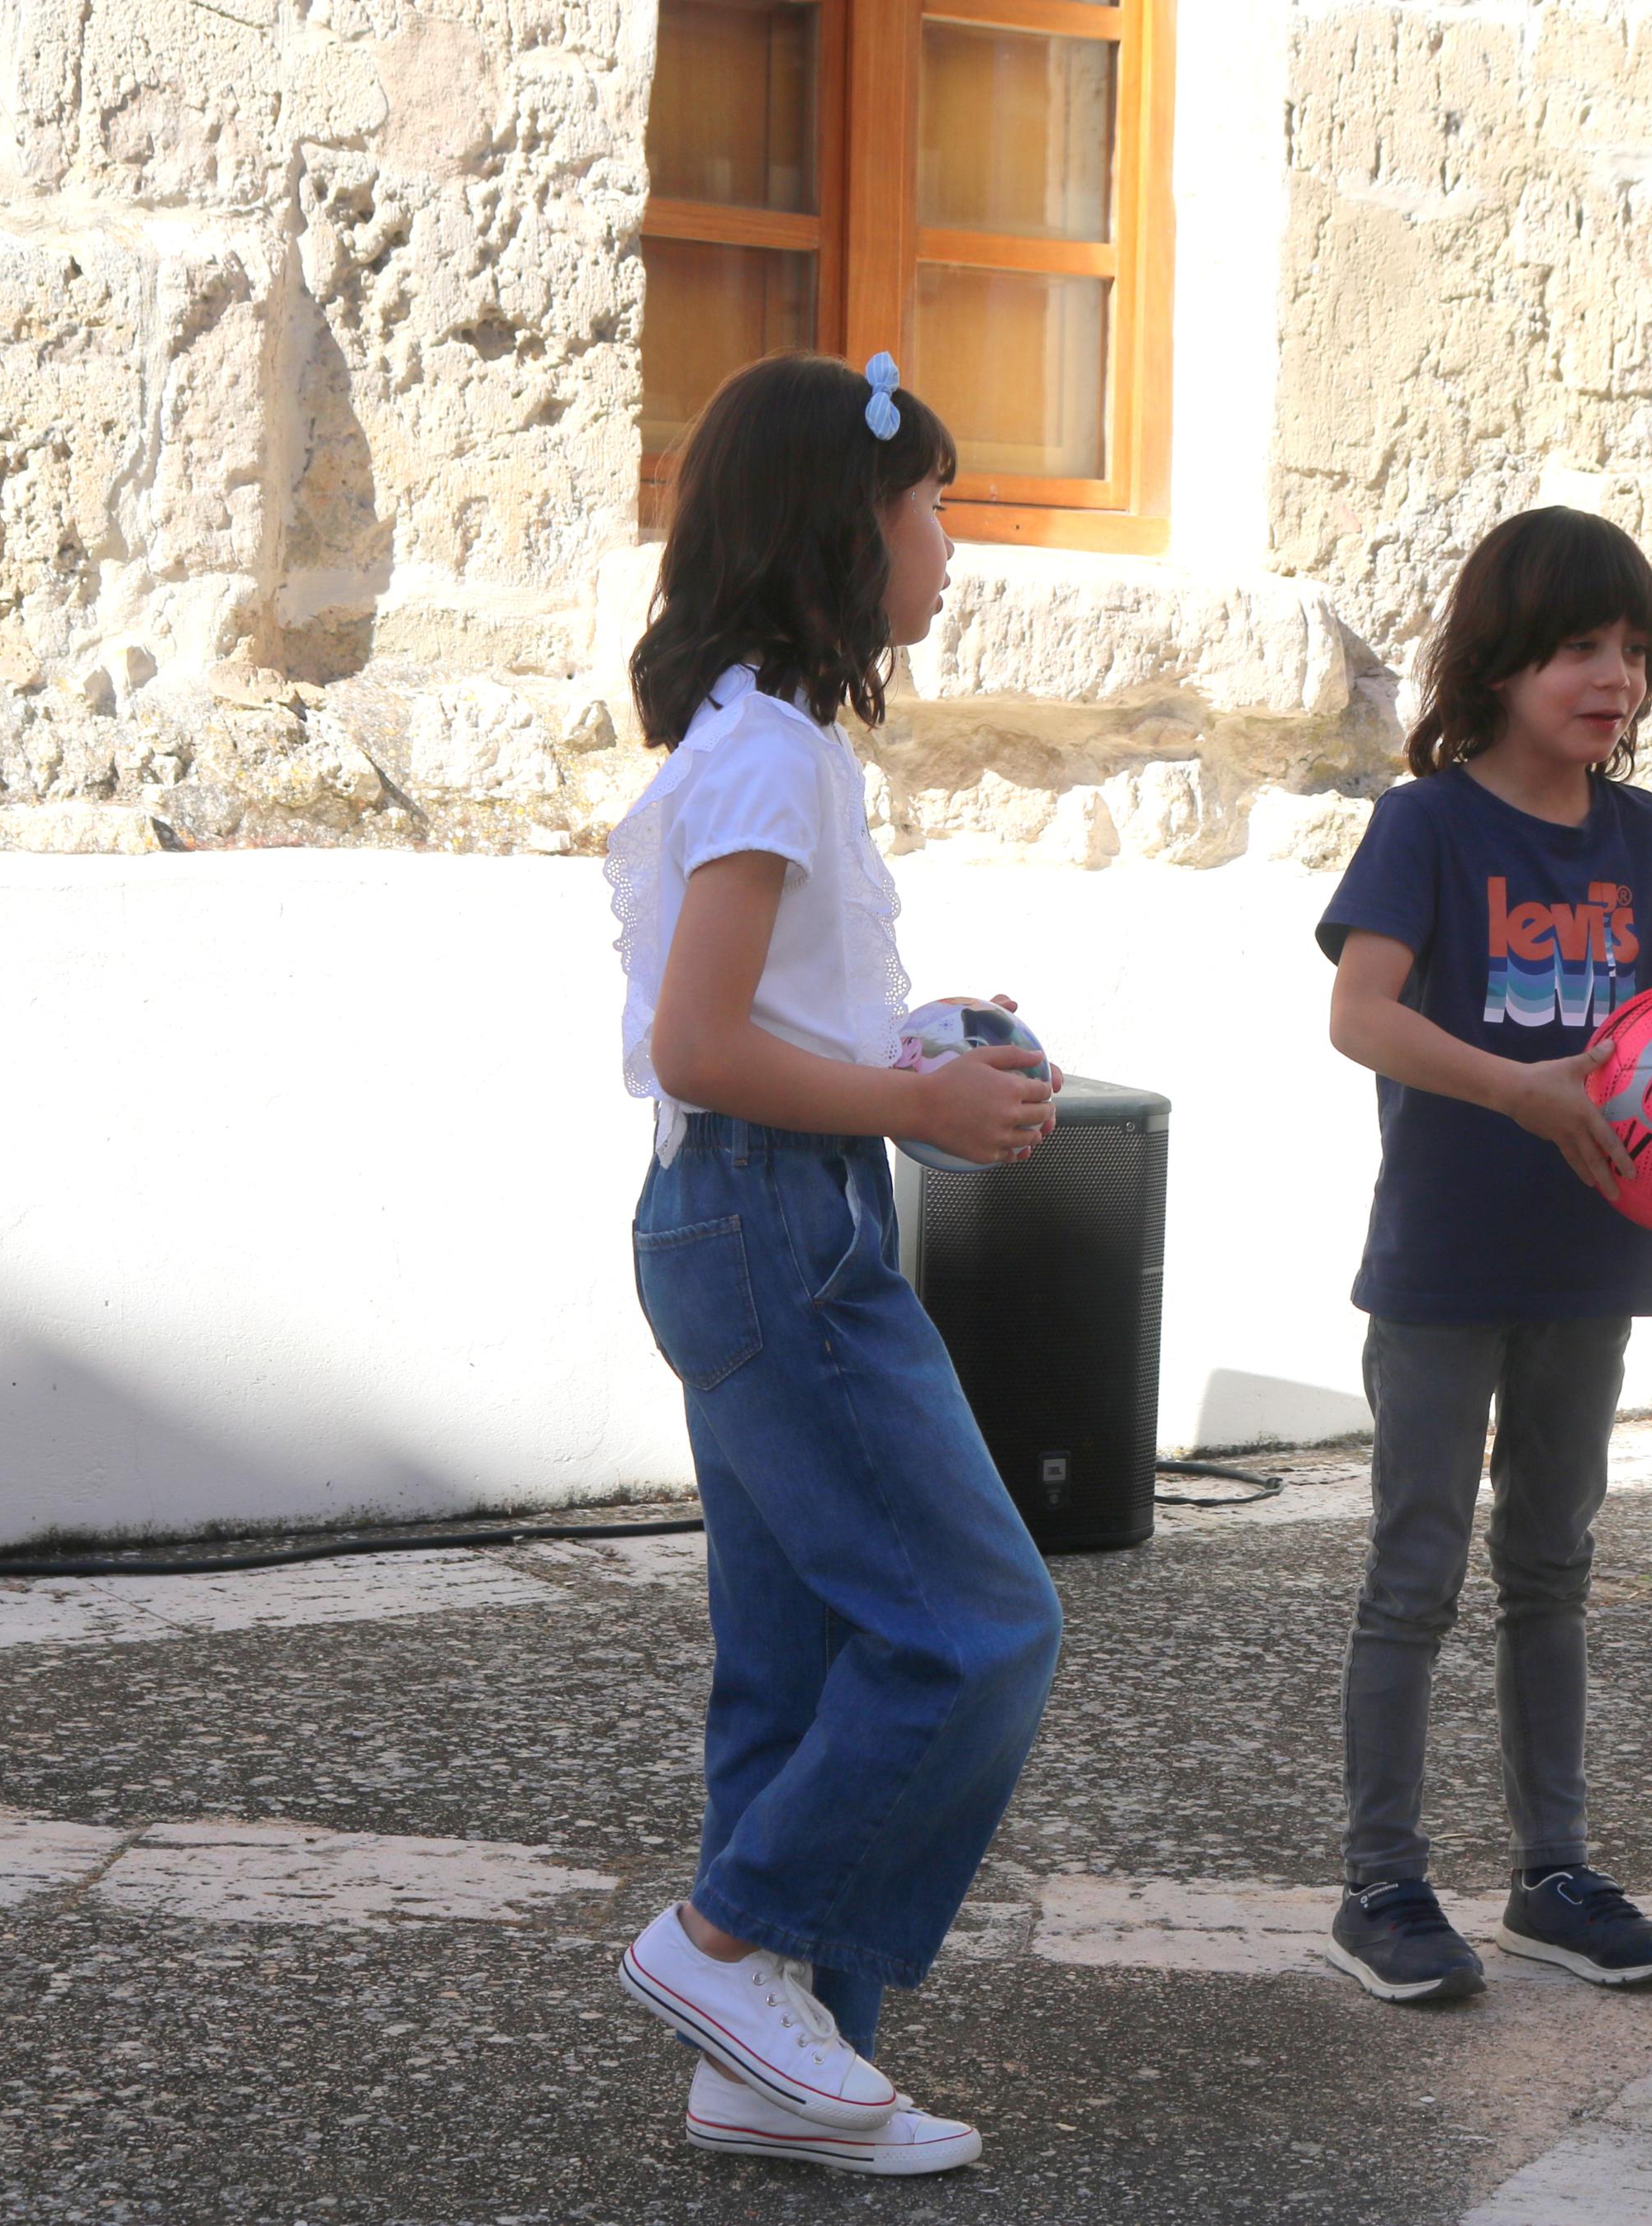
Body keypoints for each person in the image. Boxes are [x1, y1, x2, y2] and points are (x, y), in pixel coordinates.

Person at [605, 352, 1065, 2174]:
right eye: (933, 507)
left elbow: (761, 1016)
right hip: (775, 1218)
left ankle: (773, 2075)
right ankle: (716, 1947)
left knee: (797, 1667)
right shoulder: (776, 758)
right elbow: (703, 1042)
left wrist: (926, 1041)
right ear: (838, 529)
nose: (951, 544)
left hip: (755, 1214)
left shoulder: (757, 740)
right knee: (975, 1626)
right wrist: (923, 1107)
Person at [1313, 508, 1652, 2001]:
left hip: (1592, 1258)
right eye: (1577, 646)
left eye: (1633, 648)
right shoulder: (1426, 826)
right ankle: (1384, 1886)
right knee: (1414, 1569)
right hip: (1444, 1258)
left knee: (1551, 1567)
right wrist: (1521, 1090)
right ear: (1498, 662)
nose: (1613, 674)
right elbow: (1361, 1014)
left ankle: (1552, 1872)